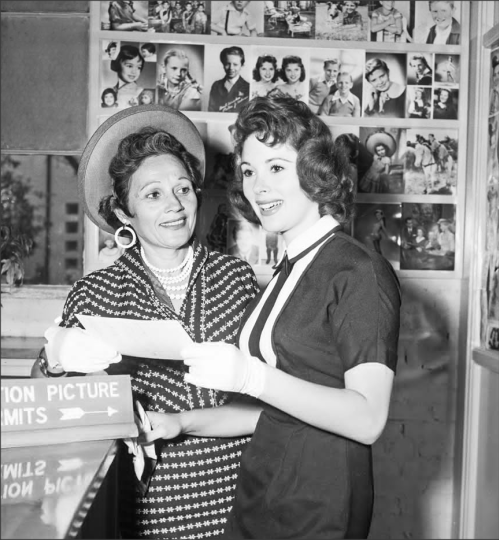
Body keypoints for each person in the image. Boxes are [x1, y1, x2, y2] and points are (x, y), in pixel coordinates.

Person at [140, 95, 401, 540]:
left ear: (315, 170)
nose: (258, 187)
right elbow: (275, 412)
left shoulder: (357, 271)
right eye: (248, 171)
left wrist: (250, 376)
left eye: (276, 168)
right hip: (263, 493)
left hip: (319, 503)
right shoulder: (293, 267)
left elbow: (368, 418)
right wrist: (180, 423)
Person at [31, 105, 259, 539]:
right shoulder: (94, 294)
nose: (174, 206)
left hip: (240, 499)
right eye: (153, 194)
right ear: (123, 213)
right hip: (148, 510)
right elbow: (45, 395)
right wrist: (55, 360)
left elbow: (268, 396)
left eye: (183, 189)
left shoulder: (237, 278)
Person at [209, 46, 250, 113]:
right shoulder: (216, 85)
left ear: (242, 65)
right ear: (223, 64)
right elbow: (211, 110)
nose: (231, 68)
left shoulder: (247, 87)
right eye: (227, 64)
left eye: (235, 64)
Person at [110, 44, 145, 108]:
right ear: (118, 65)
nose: (134, 71)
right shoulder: (112, 90)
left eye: (139, 67)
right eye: (129, 66)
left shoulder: (140, 92)